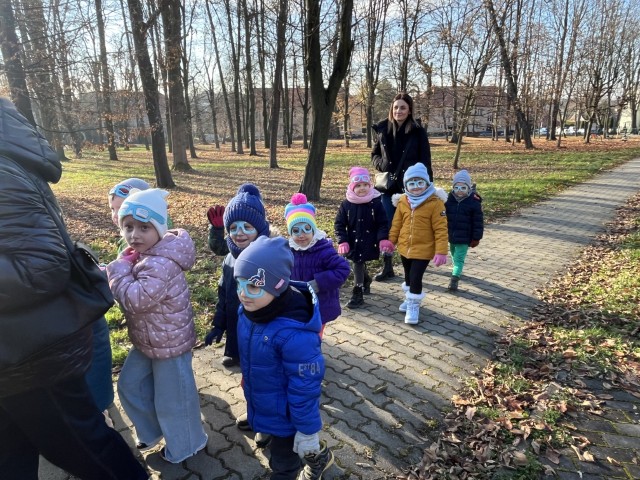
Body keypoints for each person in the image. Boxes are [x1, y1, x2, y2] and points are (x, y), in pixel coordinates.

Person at [0, 97, 148, 479]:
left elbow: (43, 264)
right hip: (17, 350)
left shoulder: (3, 173)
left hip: (31, 354)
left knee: (88, 450)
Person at [107, 188, 208, 463]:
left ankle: (188, 444)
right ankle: (153, 432)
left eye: (144, 227)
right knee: (130, 384)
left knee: (175, 399)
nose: (134, 235)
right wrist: (123, 267)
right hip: (148, 339)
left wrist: (117, 271)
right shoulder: (143, 255)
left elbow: (135, 299)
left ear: (159, 229)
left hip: (170, 343)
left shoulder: (160, 263)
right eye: (128, 227)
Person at [234, 236, 334, 480]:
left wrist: (307, 431)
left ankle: (317, 458)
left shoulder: (295, 333)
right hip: (265, 402)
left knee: (284, 464)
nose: (243, 294)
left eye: (253, 286)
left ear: (277, 287)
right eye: (239, 284)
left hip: (288, 417)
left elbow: (305, 386)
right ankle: (266, 427)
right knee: (278, 448)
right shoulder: (249, 312)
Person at [203, 183, 272, 447]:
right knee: (248, 379)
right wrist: (219, 325)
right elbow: (225, 295)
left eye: (247, 226)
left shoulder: (267, 259)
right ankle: (255, 414)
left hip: (264, 333)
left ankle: (266, 423)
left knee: (264, 381)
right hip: (240, 331)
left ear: (259, 228)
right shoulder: (230, 259)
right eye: (233, 227)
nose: (239, 232)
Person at [371, 92, 432, 282]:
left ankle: (413, 263)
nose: (399, 111)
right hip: (388, 188)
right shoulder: (382, 129)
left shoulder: (417, 132)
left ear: (409, 110)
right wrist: (382, 164)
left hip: (412, 188)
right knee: (388, 227)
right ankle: (388, 266)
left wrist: (428, 188)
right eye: (396, 107)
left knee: (412, 226)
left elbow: (426, 160)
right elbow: (374, 155)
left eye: (403, 107)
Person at [388, 163, 448, 324]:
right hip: (404, 248)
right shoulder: (402, 201)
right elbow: (396, 224)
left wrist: (441, 251)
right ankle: (409, 299)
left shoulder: (435, 202)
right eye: (412, 183)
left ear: (427, 183)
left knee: (415, 277)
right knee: (408, 276)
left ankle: (413, 305)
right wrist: (391, 241)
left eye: (420, 183)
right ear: (406, 185)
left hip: (424, 249)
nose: (416, 187)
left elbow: (441, 229)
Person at [284, 193, 350, 336]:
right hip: (298, 304)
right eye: (295, 230)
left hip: (321, 305)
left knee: (314, 336)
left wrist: (319, 283)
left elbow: (343, 269)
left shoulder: (323, 250)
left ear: (313, 229)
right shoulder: (289, 250)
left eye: (306, 229)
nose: (301, 235)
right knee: (299, 334)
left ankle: (314, 349)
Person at [334, 167, 394, 309]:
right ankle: (364, 282)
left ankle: (359, 291)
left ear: (370, 185)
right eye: (358, 185)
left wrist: (382, 238)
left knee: (358, 263)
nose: (362, 188)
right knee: (357, 263)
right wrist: (342, 240)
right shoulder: (346, 204)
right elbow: (339, 224)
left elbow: (383, 223)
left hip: (369, 240)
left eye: (365, 185)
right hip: (352, 241)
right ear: (352, 187)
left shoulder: (376, 203)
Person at [444, 170, 484, 292]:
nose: (459, 190)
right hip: (451, 236)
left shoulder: (474, 202)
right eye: (456, 187)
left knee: (459, 258)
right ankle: (457, 269)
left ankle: (454, 279)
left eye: (463, 188)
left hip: (465, 237)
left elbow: (478, 222)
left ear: (469, 188)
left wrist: (476, 237)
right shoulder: (448, 200)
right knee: (453, 254)